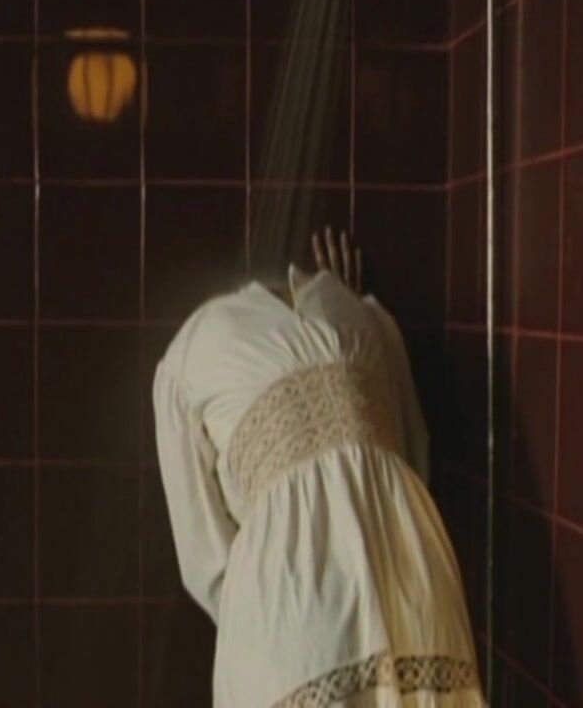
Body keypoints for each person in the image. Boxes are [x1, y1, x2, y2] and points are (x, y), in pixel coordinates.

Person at [153, 229, 483, 707]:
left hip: (296, 608)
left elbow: (204, 554)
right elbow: (413, 454)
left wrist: (263, 614)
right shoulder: (364, 318)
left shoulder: (189, 354)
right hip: (409, 576)